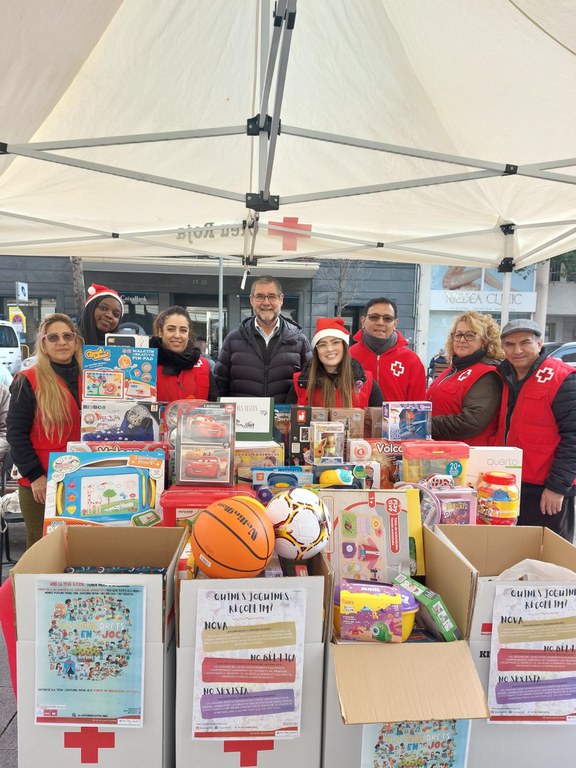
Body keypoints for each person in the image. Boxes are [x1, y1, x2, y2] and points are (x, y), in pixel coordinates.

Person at [494, 319, 576, 541]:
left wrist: (557, 488)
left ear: (540, 343)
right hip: (511, 485)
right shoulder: (504, 376)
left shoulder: (562, 377)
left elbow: (573, 438)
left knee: (549, 560)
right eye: (509, 344)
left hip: (546, 489)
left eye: (525, 342)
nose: (517, 350)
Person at [6, 313, 82, 548]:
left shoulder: (95, 377)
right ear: (43, 344)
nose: (61, 342)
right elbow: (16, 434)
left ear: (75, 340)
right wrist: (35, 475)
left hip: (83, 479)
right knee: (42, 554)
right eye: (53, 337)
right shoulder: (26, 380)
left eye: (67, 336)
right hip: (41, 484)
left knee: (78, 550)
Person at [215, 276, 312, 403]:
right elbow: (219, 386)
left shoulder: (299, 341)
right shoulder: (232, 340)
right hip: (243, 420)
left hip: (284, 421)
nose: (266, 303)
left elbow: (310, 384)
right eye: (260, 296)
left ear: (281, 299)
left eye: (272, 296)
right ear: (251, 300)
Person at [427, 312, 504, 444]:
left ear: (484, 340)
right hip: (443, 451)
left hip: (466, 457)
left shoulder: (487, 375)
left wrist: (424, 425)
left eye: (470, 335)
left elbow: (471, 422)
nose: (462, 340)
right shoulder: (453, 369)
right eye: (458, 334)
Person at [286, 317, 383, 407]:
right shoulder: (301, 383)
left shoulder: (366, 382)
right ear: (317, 351)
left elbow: (378, 420)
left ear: (344, 346)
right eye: (322, 345)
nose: (329, 349)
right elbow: (289, 420)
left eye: (335, 342)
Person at [349, 297, 426, 401]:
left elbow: (417, 404)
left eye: (387, 318)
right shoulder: (349, 356)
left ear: (395, 324)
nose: (380, 322)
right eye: (374, 317)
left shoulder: (411, 360)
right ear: (363, 321)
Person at [149, 306, 218, 402]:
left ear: (189, 334)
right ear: (160, 331)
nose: (177, 335)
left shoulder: (204, 366)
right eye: (171, 329)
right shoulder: (147, 364)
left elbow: (212, 407)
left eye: (183, 330)